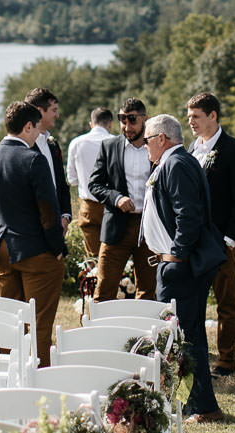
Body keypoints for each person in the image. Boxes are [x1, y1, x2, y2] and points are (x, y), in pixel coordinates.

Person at [140, 113, 227, 424]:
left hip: (181, 266)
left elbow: (187, 215)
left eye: (147, 140)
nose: (144, 146)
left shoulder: (176, 164)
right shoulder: (175, 162)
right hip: (175, 263)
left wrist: (176, 254)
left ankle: (202, 407)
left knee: (185, 337)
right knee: (184, 335)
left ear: (162, 139)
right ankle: (193, 403)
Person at [0, 100, 67, 365]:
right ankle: (38, 382)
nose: (40, 134)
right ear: (28, 126)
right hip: (37, 251)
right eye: (38, 128)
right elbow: (48, 212)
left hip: (3, 247)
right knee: (39, 323)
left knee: (10, 322)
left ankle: (6, 377)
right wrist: (57, 248)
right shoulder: (34, 160)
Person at [186, 92, 235, 379]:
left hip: (222, 240)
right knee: (194, 301)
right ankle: (197, 356)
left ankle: (227, 360)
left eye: (196, 117)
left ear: (213, 116)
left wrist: (231, 239)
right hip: (194, 240)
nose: (191, 122)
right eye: (189, 117)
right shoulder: (191, 149)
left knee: (226, 302)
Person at [88, 99, 156, 301]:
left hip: (149, 227)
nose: (127, 126)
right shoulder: (109, 146)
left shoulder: (157, 146)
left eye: (132, 120)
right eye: (122, 120)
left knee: (148, 290)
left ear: (145, 119)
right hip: (117, 225)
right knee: (104, 288)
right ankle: (98, 331)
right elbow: (94, 184)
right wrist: (116, 198)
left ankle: (143, 332)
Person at [67, 107, 115, 256]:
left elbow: (72, 180)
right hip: (113, 205)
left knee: (93, 257)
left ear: (91, 123)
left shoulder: (76, 143)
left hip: (89, 207)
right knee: (115, 256)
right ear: (110, 124)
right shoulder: (117, 142)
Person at [25, 86, 73, 237]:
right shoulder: (24, 146)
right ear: (40, 111)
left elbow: (61, 183)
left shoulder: (52, 143)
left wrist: (65, 216)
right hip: (33, 229)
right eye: (54, 110)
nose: (57, 115)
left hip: (57, 227)